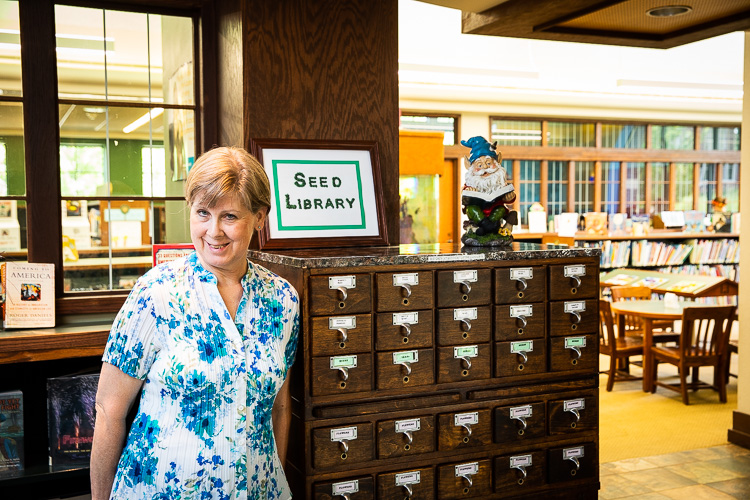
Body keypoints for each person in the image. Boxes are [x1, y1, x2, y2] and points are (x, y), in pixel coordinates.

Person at [91, 146, 300, 499]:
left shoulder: (283, 300)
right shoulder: (155, 293)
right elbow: (109, 411)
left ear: (260, 217)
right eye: (202, 212)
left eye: (230, 216)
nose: (213, 231)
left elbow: (279, 406)